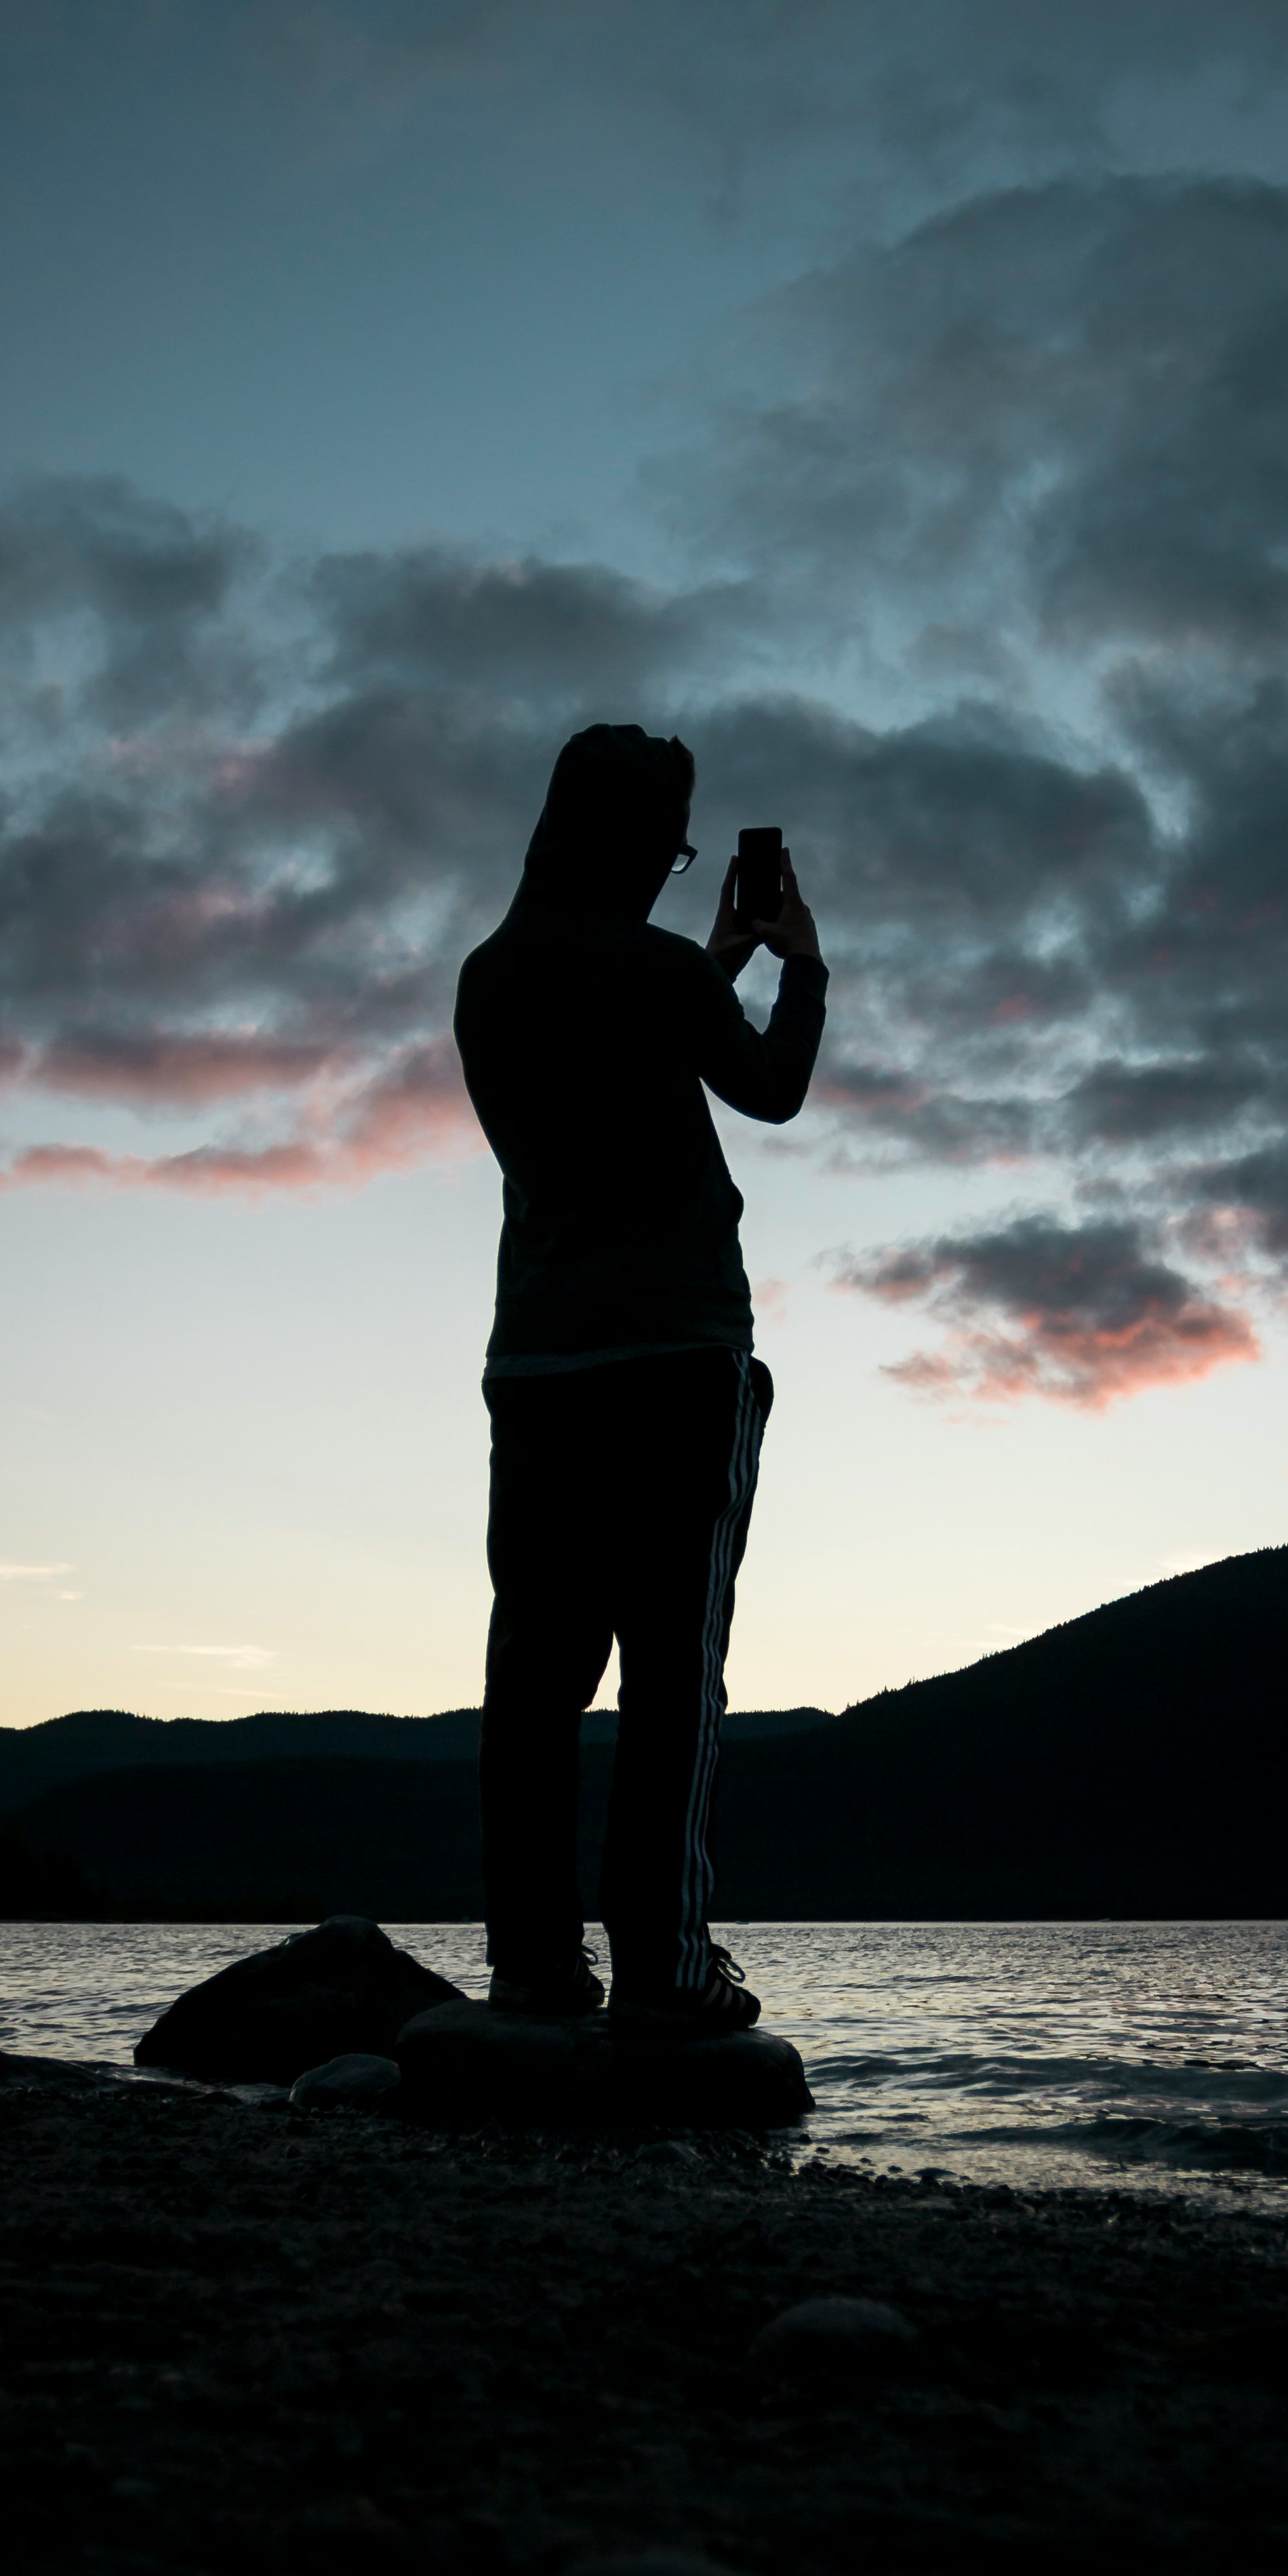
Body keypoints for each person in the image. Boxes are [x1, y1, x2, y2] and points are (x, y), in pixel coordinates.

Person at [452, 723, 829, 2039]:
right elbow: (769, 1086)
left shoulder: (487, 978)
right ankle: (665, 1970)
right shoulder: (663, 971)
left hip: (539, 1359)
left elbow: (608, 1063)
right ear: (637, 843)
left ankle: (533, 1966)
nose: (677, 875)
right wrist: (802, 965)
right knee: (673, 1671)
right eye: (671, 848)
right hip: (674, 1355)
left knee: (537, 1675)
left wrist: (700, 969)